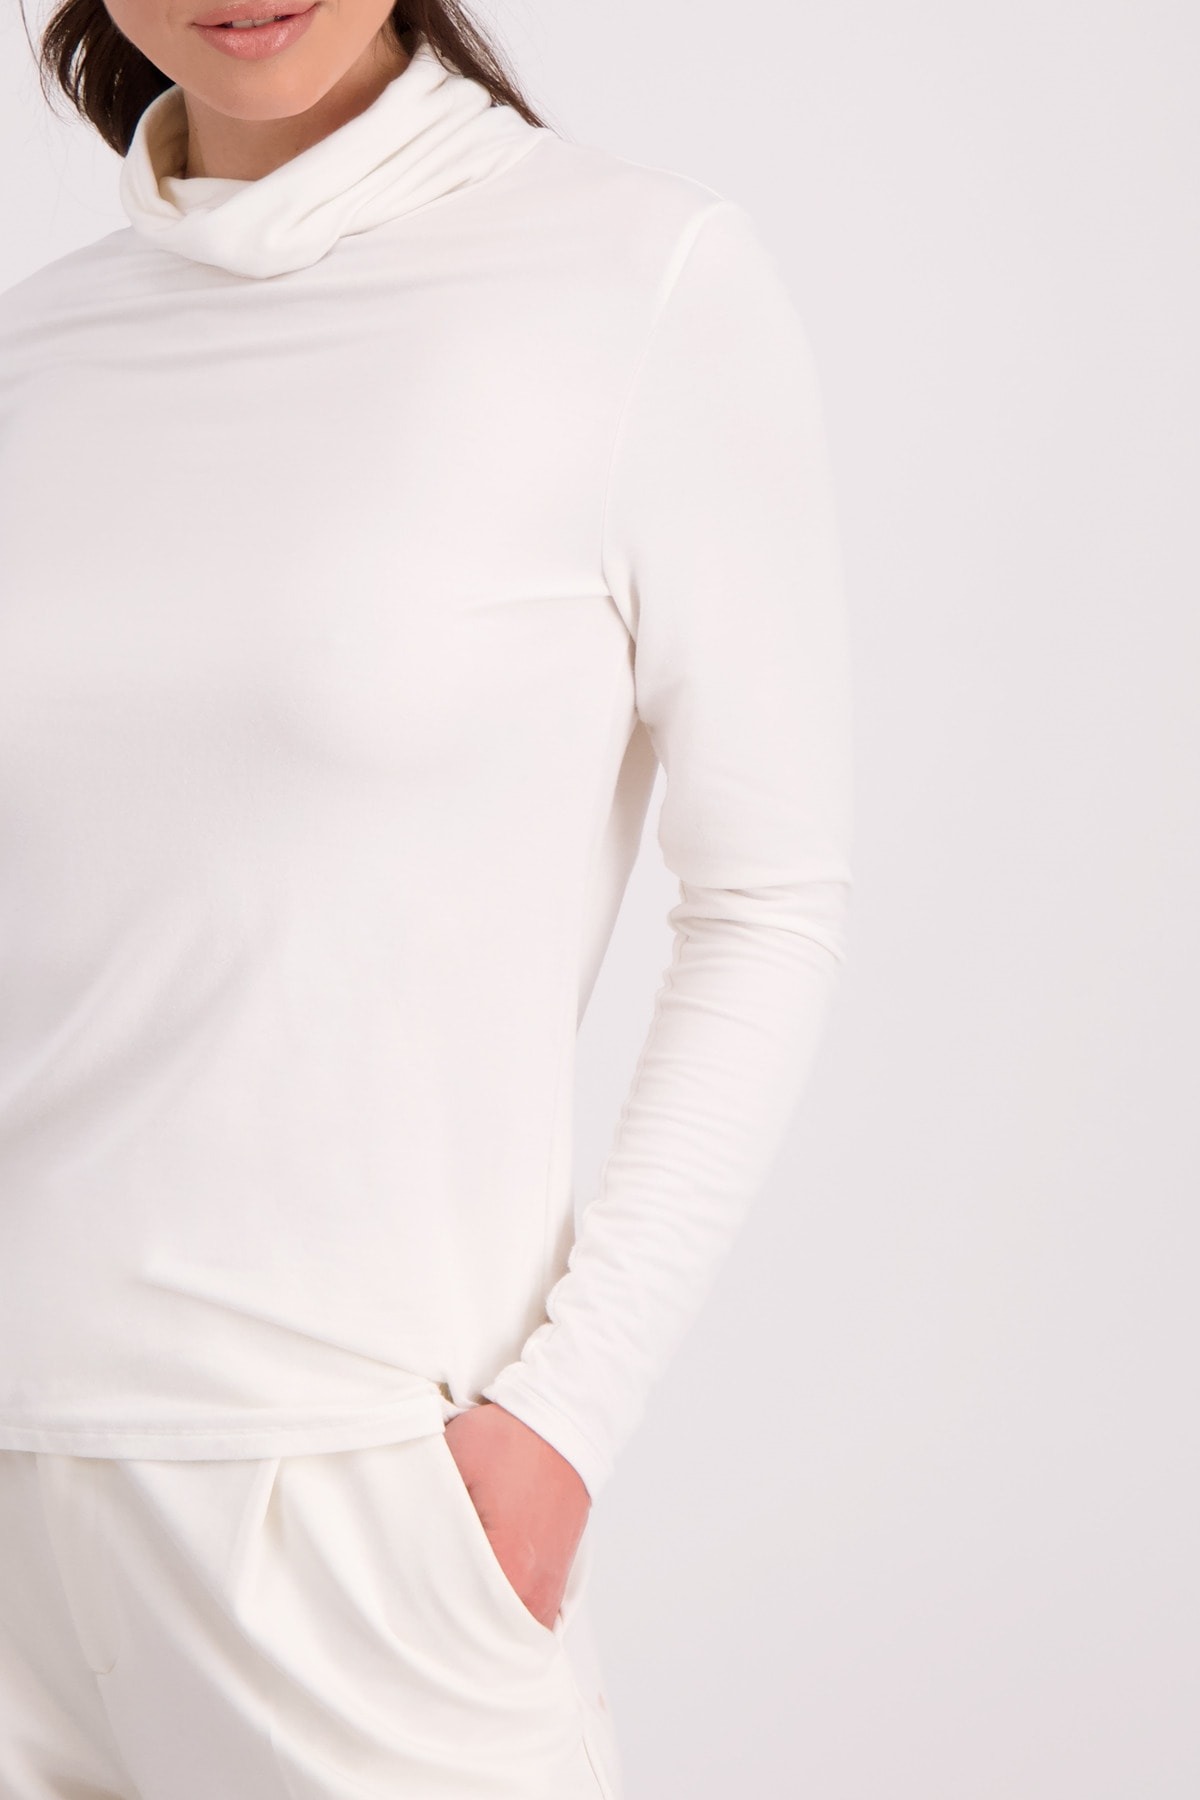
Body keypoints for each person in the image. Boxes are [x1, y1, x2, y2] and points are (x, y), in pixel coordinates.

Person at [0, 1, 855, 1793]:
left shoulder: (636, 280)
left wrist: (564, 1420)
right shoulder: (42, 349)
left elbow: (766, 898)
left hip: (349, 1502)